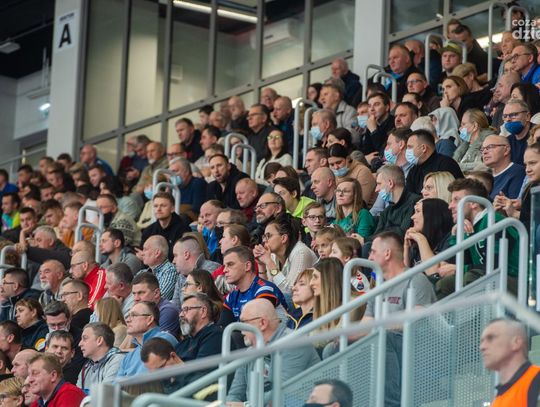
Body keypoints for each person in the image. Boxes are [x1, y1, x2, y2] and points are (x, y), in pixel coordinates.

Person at [365, 231, 436, 407]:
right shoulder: (378, 289)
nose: (369, 257)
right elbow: (365, 325)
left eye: (373, 251)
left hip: (417, 350)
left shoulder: (415, 279)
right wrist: (343, 335)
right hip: (387, 348)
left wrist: (380, 327)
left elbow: (417, 319)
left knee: (382, 337)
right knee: (334, 349)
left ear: (387, 253)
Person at [226, 299, 320, 403]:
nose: (241, 330)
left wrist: (246, 405)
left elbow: (282, 393)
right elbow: (234, 394)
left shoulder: (294, 343)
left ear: (262, 323)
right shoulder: (249, 352)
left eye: (244, 322)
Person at [438, 178, 520, 298]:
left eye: (456, 200)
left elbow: (495, 265)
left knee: (472, 277)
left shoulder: (494, 221)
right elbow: (449, 268)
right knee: (446, 284)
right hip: (489, 279)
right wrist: (455, 235)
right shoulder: (469, 227)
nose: (450, 206)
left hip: (516, 281)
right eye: (451, 201)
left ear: (474, 203)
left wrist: (460, 269)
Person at [480, 318, 540, 406]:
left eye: (491, 338)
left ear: (516, 342)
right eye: (482, 341)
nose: (482, 347)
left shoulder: (536, 380)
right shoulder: (498, 400)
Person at [254, 213, 318, 295]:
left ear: (283, 238)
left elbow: (290, 293)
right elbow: (266, 290)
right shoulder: (272, 256)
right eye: (264, 237)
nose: (264, 241)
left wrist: (269, 263)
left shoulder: (300, 252)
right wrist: (261, 265)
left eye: (268, 236)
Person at [221, 246, 287, 321]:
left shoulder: (265, 289)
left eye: (230, 264)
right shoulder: (232, 296)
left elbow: (258, 324)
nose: (224, 270)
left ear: (247, 266)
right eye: (224, 266)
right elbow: (221, 326)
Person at [116, 301, 178, 378]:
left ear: (150, 319)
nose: (128, 320)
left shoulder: (163, 340)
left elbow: (148, 379)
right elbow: (117, 383)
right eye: (127, 316)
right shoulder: (129, 356)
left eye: (134, 315)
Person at [404, 198, 453, 277]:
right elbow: (404, 277)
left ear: (432, 215)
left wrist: (421, 239)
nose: (412, 217)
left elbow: (434, 273)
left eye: (418, 211)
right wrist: (406, 247)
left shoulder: (449, 240)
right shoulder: (417, 242)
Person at [405, 129, 464, 195]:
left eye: (410, 147)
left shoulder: (446, 164)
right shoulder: (414, 170)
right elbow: (409, 197)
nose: (407, 151)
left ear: (423, 148)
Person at [372, 164, 420, 239]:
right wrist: (363, 240)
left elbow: (403, 234)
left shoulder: (415, 203)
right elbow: (376, 237)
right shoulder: (386, 211)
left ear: (390, 183)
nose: (376, 189)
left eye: (379, 184)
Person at [171, 235, 220, 308]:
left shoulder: (212, 269)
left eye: (175, 256)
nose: (173, 261)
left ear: (186, 254)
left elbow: (208, 306)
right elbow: (175, 307)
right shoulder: (181, 276)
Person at [78, 322, 125, 394]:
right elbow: (77, 395)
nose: (80, 344)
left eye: (85, 338)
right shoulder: (86, 367)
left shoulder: (118, 360)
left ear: (99, 341)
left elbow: (106, 394)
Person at [140, 192, 190, 259]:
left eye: (163, 206)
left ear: (172, 208)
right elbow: (142, 252)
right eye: (156, 206)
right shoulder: (148, 230)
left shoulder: (183, 229)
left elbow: (179, 255)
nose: (158, 209)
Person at [132, 272, 180, 336]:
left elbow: (159, 341)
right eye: (134, 294)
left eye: (141, 293)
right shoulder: (141, 311)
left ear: (156, 293)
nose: (136, 298)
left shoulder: (167, 311)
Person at [481, 135, 525, 200]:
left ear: (506, 150)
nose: (484, 152)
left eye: (490, 147)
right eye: (482, 149)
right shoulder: (484, 175)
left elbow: (514, 204)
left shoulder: (518, 172)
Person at [138, 235, 177, 301]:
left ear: (157, 253)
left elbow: (159, 298)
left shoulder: (170, 270)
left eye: (145, 249)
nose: (142, 254)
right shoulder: (143, 272)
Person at [169, 156, 207, 220]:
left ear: (186, 171)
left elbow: (196, 211)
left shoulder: (198, 183)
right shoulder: (174, 188)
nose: (173, 175)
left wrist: (176, 208)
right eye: (171, 172)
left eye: (175, 171)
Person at [360, 92, 394, 157]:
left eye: (376, 104)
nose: (372, 109)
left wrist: (373, 130)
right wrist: (366, 158)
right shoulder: (371, 123)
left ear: (387, 107)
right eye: (369, 106)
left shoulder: (394, 123)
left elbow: (384, 151)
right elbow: (366, 151)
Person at [502, 99, 533, 166]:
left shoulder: (537, 135)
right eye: (505, 116)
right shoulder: (507, 141)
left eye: (513, 114)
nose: (508, 119)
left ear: (527, 116)